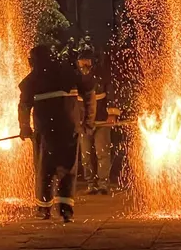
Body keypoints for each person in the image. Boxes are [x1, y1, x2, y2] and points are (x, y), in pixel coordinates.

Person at [18, 45, 95, 223]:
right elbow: (89, 90)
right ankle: (65, 210)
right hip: (69, 129)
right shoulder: (68, 73)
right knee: (68, 168)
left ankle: (44, 209)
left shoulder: (33, 79)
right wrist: (88, 122)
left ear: (34, 60)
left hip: (45, 131)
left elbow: (23, 106)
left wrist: (24, 127)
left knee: (45, 168)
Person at [76, 49, 121, 195]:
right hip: (84, 123)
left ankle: (103, 185)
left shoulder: (102, 77)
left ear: (92, 62)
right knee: (86, 155)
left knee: (102, 153)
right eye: (81, 62)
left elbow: (112, 95)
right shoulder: (75, 79)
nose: (84, 65)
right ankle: (91, 184)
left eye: (87, 61)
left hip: (101, 120)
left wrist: (112, 115)